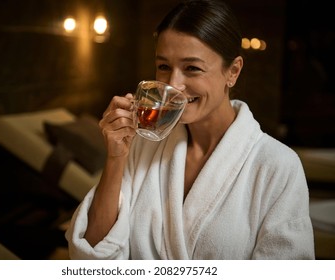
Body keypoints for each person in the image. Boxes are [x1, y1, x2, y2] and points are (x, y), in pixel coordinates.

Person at [65, 0, 315, 259]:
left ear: (233, 71)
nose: (174, 85)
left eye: (192, 68)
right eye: (163, 66)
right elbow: (91, 257)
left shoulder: (278, 166)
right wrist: (116, 157)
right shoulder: (142, 145)